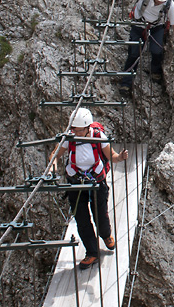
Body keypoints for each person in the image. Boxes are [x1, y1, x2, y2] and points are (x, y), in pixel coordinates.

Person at [54, 108, 129, 270]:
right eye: (73, 129)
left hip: (96, 180)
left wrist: (121, 158)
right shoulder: (69, 137)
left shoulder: (98, 137)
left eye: (78, 129)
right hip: (75, 181)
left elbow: (112, 156)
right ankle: (91, 252)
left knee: (100, 213)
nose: (75, 132)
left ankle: (105, 234)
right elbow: (56, 154)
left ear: (88, 127)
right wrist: (53, 165)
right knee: (81, 219)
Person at [116, 0, 174, 95]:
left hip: (156, 27)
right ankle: (126, 83)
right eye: (157, 0)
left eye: (161, 1)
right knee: (133, 53)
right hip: (138, 24)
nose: (159, 3)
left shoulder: (169, 3)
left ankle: (155, 71)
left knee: (157, 50)